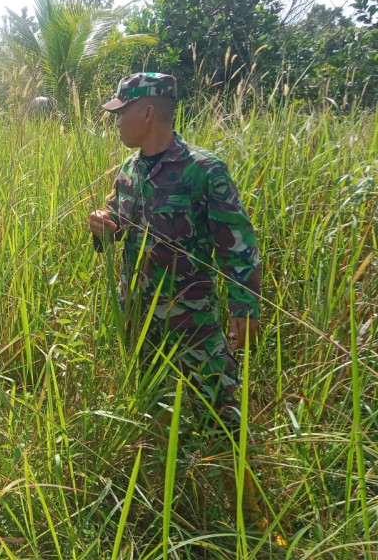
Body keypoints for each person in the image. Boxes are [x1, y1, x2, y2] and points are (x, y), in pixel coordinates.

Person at [89, 72, 272, 529]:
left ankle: (250, 518)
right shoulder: (128, 172)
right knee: (151, 410)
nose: (115, 122)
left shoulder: (204, 170)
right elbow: (118, 232)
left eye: (121, 112)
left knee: (222, 414)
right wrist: (102, 230)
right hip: (138, 317)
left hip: (194, 325)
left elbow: (240, 245)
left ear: (147, 112)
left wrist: (245, 308)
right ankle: (163, 502)